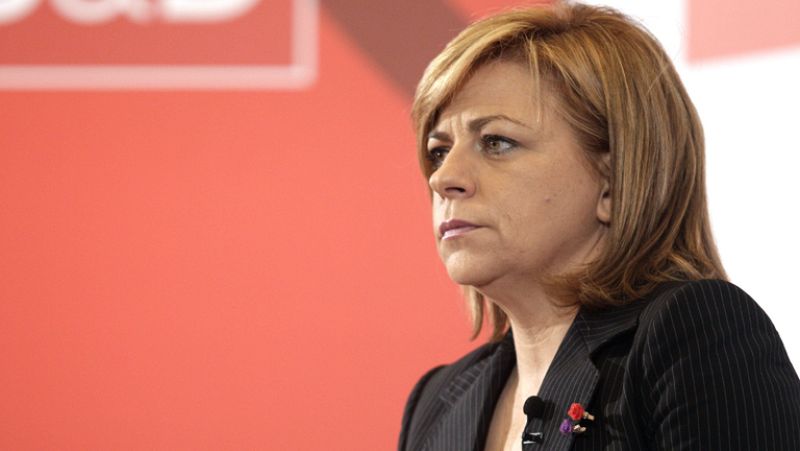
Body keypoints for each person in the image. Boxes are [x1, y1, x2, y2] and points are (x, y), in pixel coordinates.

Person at [397, 2, 800, 450]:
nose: (443, 178)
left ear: (612, 180)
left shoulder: (691, 338)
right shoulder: (437, 402)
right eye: (438, 151)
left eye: (497, 142)